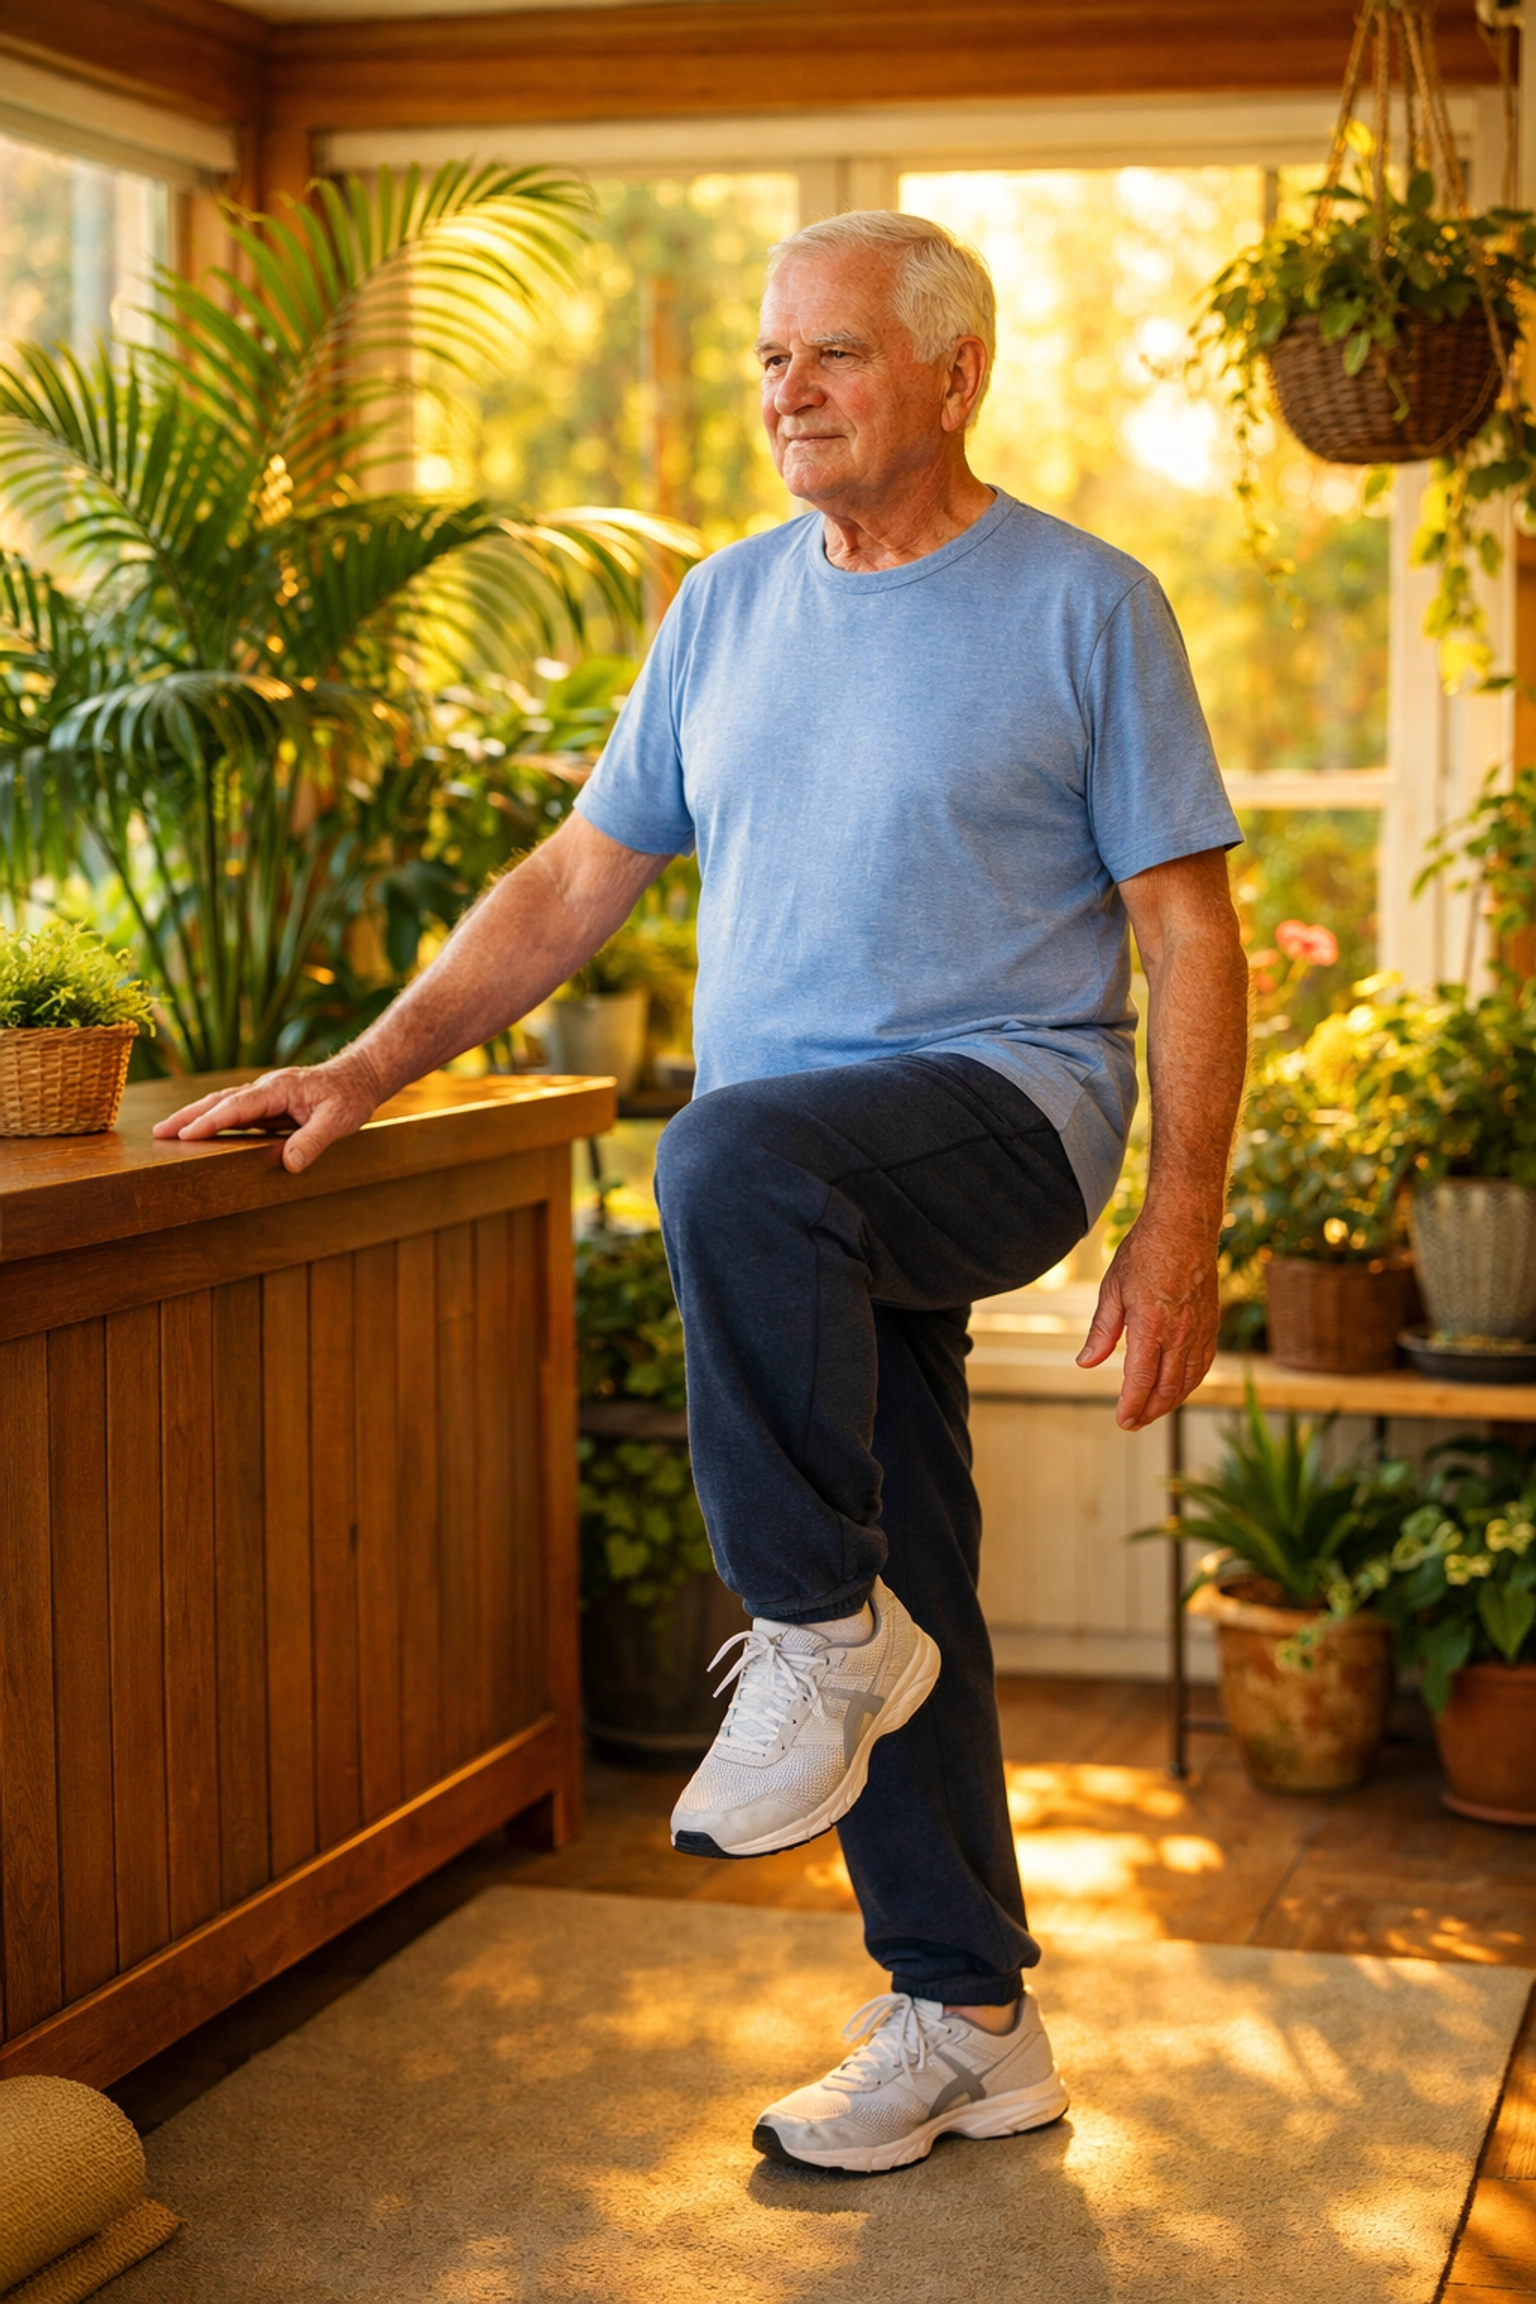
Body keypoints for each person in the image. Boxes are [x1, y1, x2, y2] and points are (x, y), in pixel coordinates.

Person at [157, 209, 1249, 2178]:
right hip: (806, 1196)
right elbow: (578, 881)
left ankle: (817, 1639)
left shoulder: (1089, 605)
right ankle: (971, 2011)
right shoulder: (725, 610)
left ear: (954, 372)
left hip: (1006, 1119)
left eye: (830, 355)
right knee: (905, 1538)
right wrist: (364, 1064)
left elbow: (1188, 931)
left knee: (723, 1151)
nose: (786, 393)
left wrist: (1182, 1231)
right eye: (769, 360)